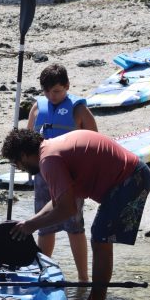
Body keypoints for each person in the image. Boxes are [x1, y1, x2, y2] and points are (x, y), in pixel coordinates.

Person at [1, 128, 150, 300]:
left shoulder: (48, 160)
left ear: (23, 155)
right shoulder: (51, 149)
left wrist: (32, 227)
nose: (20, 169)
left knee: (100, 239)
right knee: (100, 236)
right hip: (132, 175)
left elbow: (68, 209)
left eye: (17, 164)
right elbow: (59, 201)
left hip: (132, 179)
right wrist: (32, 221)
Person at [26, 63, 97, 283]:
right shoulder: (38, 108)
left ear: (66, 86)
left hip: (71, 175)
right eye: (47, 91)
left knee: (74, 226)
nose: (52, 96)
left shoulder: (79, 109)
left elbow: (94, 141)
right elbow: (28, 141)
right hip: (44, 174)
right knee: (44, 225)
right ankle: (42, 274)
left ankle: (83, 278)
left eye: (56, 91)